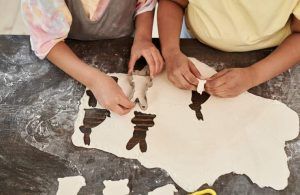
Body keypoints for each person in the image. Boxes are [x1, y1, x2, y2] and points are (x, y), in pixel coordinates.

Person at [22, 0, 164, 115]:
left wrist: (143, 37)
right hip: (67, 54)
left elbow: (144, 4)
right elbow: (47, 39)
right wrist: (94, 80)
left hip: (124, 44)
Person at [158, 0, 300, 98]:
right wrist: (171, 51)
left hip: (271, 55)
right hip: (193, 41)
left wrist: (253, 75)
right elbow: (173, 2)